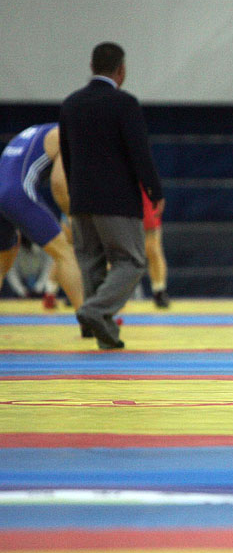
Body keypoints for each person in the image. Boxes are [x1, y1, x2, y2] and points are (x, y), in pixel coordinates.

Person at [59, 42, 164, 350]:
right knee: (131, 261)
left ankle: (102, 332)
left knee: (90, 261)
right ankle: (94, 311)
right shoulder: (125, 103)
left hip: (81, 198)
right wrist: (154, 189)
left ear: (92, 67)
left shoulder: (70, 104)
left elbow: (66, 155)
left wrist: (74, 193)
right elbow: (139, 151)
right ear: (121, 70)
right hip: (116, 200)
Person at [0, 123, 84, 312]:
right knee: (65, 253)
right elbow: (59, 184)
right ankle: (90, 322)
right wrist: (71, 215)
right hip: (17, 194)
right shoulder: (65, 135)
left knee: (1, 263)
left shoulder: (36, 131)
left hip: (3, 191)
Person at [141, 189, 170, 309]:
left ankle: (159, 289)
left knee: (153, 247)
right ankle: (111, 292)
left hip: (144, 193)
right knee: (115, 250)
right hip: (118, 191)